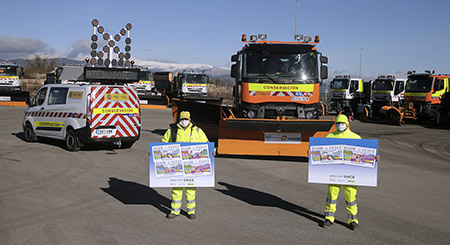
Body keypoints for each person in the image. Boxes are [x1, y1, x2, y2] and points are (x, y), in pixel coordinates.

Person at [322, 114, 379, 231]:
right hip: (334, 172)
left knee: (351, 196)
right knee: (332, 195)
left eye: (342, 123)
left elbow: (363, 154)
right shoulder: (329, 136)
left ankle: (353, 220)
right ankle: (328, 218)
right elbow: (321, 152)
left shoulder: (355, 137)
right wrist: (311, 153)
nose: (340, 125)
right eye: (337, 123)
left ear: (347, 124)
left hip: (351, 173)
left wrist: (374, 157)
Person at [161, 111, 209, 220]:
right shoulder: (172, 130)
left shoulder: (198, 131)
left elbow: (206, 144)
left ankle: (191, 212)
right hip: (176, 165)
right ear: (179, 120)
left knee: (191, 189)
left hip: (192, 166)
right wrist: (154, 153)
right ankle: (174, 211)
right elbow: (163, 143)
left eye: (186, 119)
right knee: (176, 188)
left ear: (190, 119)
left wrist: (213, 151)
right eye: (182, 119)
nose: (184, 121)